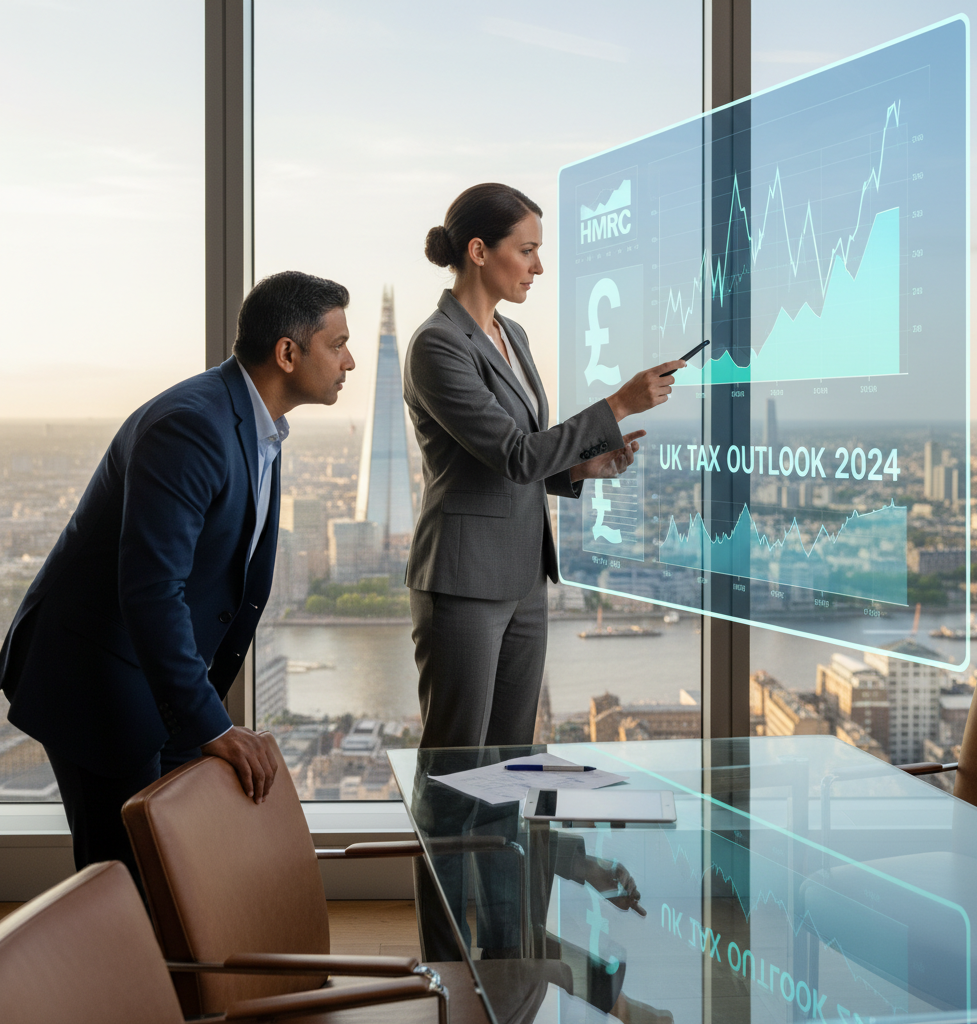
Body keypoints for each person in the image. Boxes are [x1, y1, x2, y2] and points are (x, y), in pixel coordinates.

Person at [0, 270, 355, 887]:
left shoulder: (259, 427)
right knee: (123, 887)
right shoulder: (192, 426)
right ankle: (110, 984)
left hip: (151, 681)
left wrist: (204, 715)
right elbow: (151, 589)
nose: (349, 360)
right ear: (288, 353)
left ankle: (174, 984)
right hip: (95, 678)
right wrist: (213, 724)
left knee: (177, 878)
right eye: (338, 344)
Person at [403, 182, 684, 961]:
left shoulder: (513, 338)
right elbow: (514, 453)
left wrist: (593, 461)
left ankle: (504, 939)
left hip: (525, 574)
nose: (537, 266)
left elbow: (534, 463)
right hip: (462, 578)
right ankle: (447, 956)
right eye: (526, 250)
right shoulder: (437, 344)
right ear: (479, 251)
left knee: (512, 769)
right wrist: (618, 403)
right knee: (457, 773)